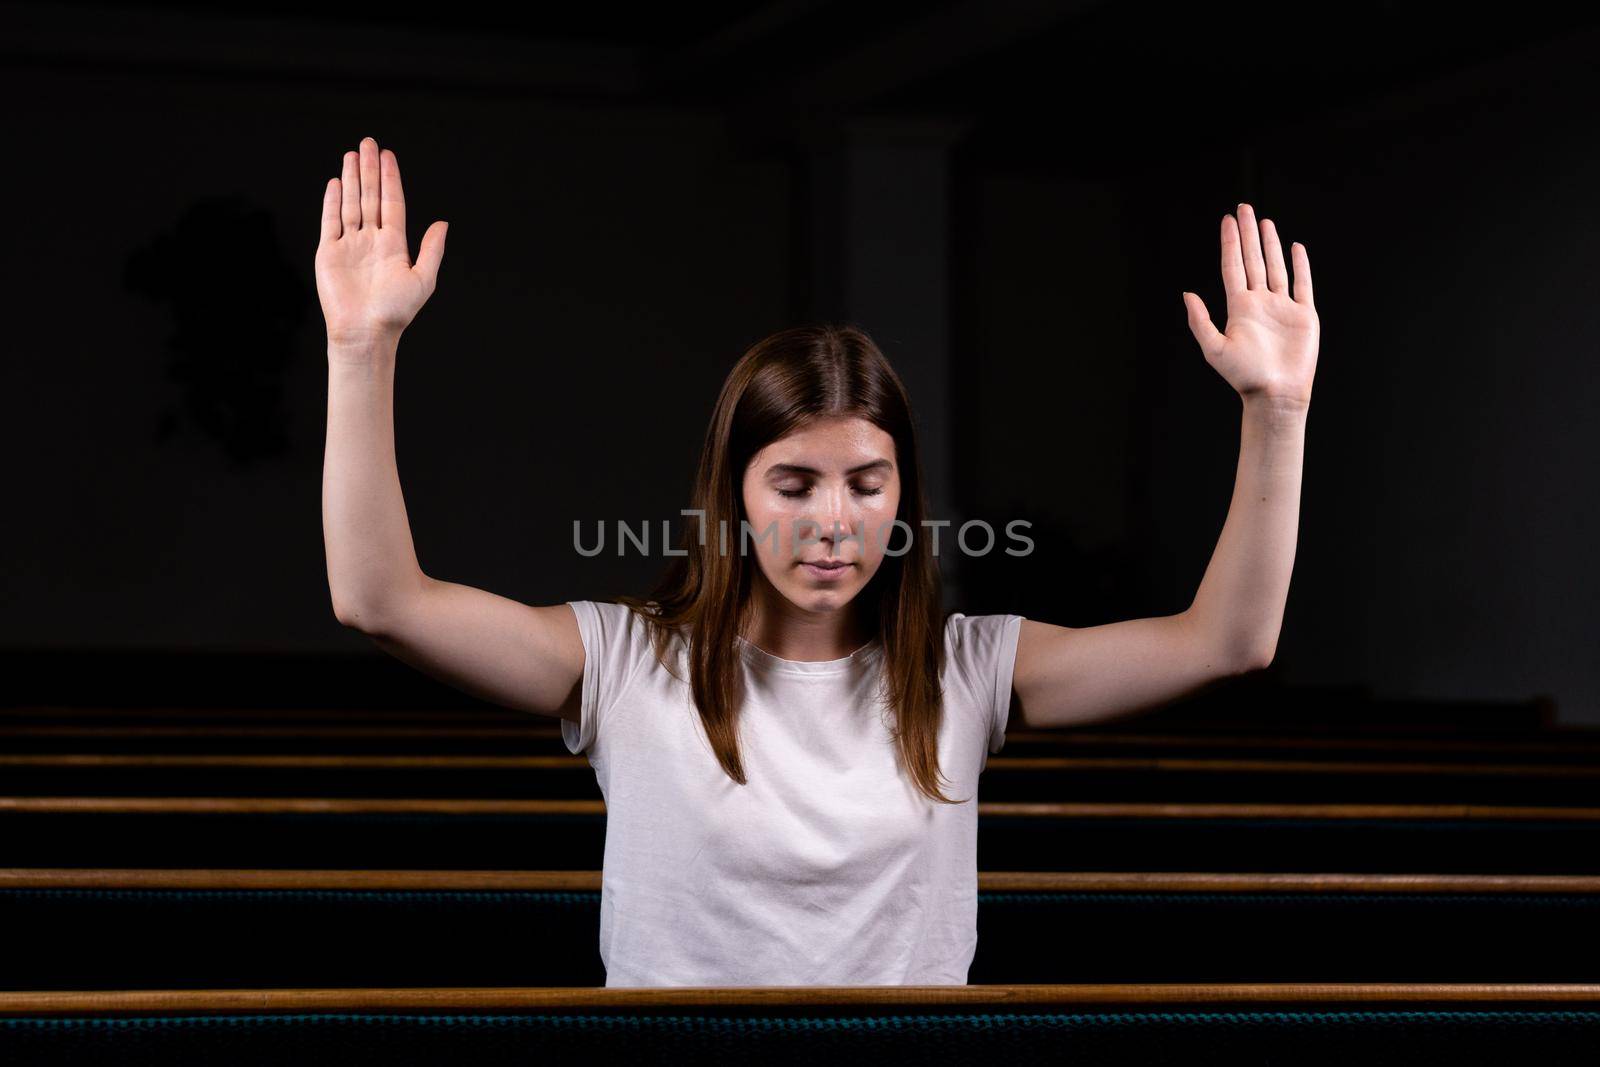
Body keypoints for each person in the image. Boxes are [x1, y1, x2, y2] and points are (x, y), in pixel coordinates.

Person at [316, 135, 1319, 987]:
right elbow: (380, 599)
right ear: (733, 496)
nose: (833, 522)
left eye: (867, 483)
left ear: (903, 498)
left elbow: (1227, 641)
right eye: (794, 484)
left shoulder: (962, 670)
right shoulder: (623, 659)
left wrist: (1277, 413)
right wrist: (362, 349)